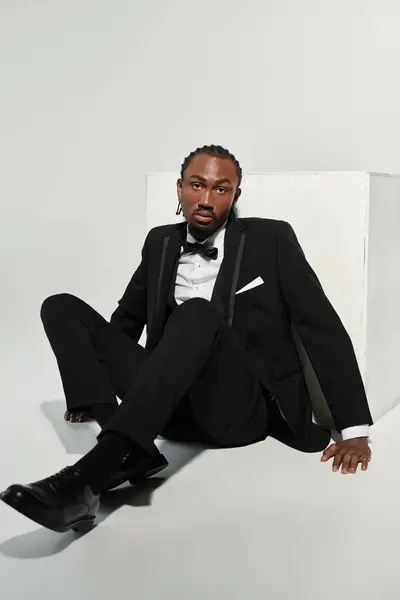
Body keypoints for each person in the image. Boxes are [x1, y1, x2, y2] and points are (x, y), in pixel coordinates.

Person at [1, 144, 373, 533]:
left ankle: (90, 475)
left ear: (236, 195)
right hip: (169, 407)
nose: (207, 199)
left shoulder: (271, 239)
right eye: (197, 185)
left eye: (221, 189)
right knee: (60, 306)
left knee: (197, 311)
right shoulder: (159, 241)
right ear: (179, 188)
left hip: (235, 410)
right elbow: (127, 318)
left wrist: (355, 430)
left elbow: (321, 326)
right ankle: (135, 450)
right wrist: (93, 386)